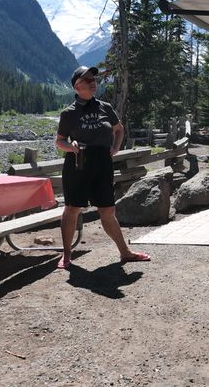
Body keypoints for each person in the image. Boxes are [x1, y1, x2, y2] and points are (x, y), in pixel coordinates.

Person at [54, 65, 150, 269]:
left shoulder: (105, 107)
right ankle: (67, 255)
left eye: (94, 80)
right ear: (77, 87)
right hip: (78, 162)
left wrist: (115, 147)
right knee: (72, 209)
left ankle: (125, 252)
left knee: (107, 210)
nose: (92, 83)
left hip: (102, 163)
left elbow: (119, 129)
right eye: (87, 80)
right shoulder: (68, 113)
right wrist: (70, 147)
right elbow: (59, 141)